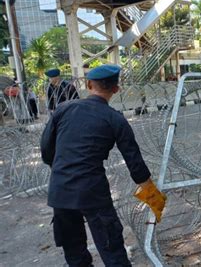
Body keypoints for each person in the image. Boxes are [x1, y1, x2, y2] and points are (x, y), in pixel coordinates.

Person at [40, 65, 166, 267]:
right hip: (93, 191)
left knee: (74, 253)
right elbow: (135, 164)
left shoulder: (64, 109)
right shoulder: (116, 119)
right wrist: (151, 192)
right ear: (116, 89)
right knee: (112, 250)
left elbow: (46, 150)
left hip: (60, 189)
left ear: (89, 85)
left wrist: (63, 170)